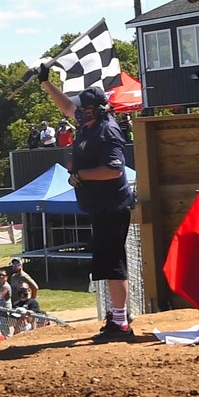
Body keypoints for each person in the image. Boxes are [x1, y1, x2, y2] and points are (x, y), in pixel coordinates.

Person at [42, 75, 141, 340]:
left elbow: (113, 170)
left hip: (112, 206)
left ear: (99, 109)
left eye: (86, 109)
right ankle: (118, 314)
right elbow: (67, 107)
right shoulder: (88, 122)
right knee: (107, 263)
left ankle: (120, 323)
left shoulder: (106, 130)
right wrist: (46, 83)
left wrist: (82, 175)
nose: (81, 113)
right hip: (100, 206)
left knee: (113, 263)